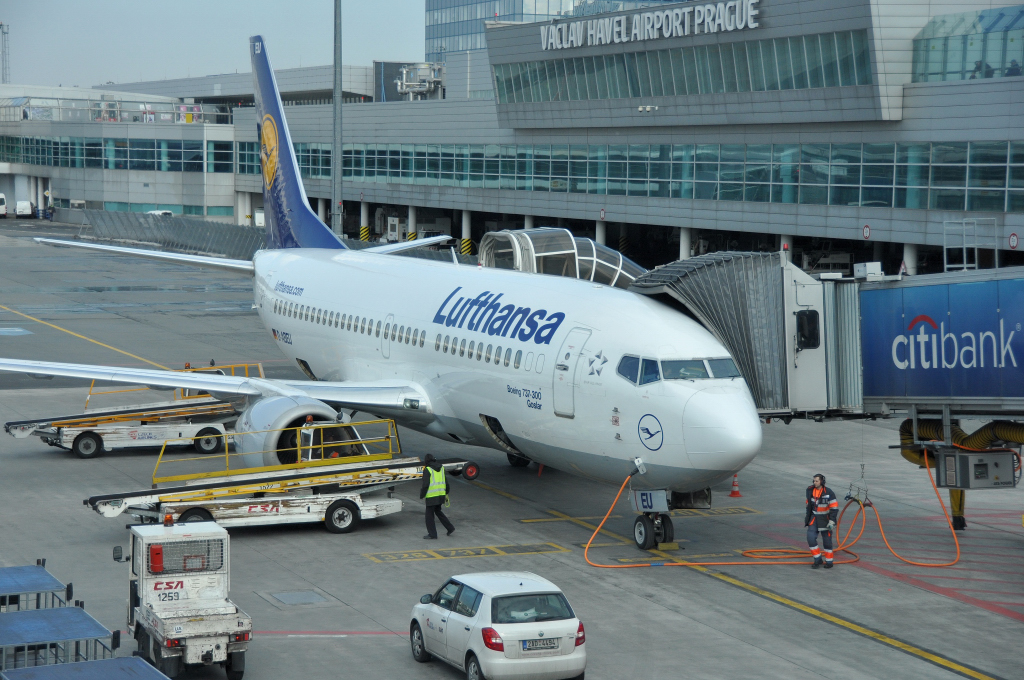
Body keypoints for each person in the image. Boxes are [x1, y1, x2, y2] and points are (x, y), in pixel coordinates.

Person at [804, 473, 839, 569]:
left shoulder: (829, 493)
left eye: (817, 481)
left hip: (825, 519)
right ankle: (817, 559)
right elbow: (808, 505)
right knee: (810, 538)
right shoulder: (810, 491)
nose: (814, 483)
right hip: (814, 518)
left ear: (822, 481)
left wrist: (832, 521)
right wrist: (808, 517)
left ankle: (829, 561)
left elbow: (834, 508)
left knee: (827, 541)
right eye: (814, 481)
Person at [420, 454, 455, 539]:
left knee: (429, 516)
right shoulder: (441, 468)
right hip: (441, 495)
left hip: (432, 496)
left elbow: (425, 485)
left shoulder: (427, 469)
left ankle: (432, 534)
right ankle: (450, 528)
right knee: (438, 511)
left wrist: (422, 495)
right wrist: (446, 492)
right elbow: (446, 482)